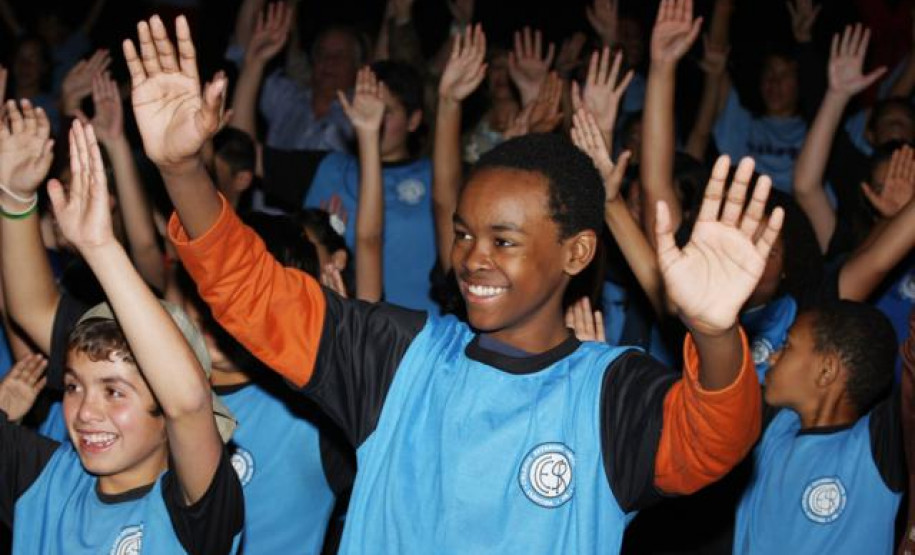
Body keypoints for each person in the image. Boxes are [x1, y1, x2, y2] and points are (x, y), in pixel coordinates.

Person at [128, 14, 780, 552]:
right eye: (463, 233)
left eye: (503, 240)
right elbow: (253, 293)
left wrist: (715, 331)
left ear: (576, 252)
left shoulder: (611, 390)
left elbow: (711, 440)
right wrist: (183, 169)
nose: (471, 258)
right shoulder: (394, 355)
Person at [0, 118, 243, 554]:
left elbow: (188, 403)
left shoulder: (191, 515)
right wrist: (14, 198)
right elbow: (30, 309)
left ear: (165, 412)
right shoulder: (43, 478)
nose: (85, 412)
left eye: (114, 392)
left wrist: (99, 246)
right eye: (74, 386)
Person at [734, 301, 904, 553]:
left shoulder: (874, 451)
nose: (772, 357)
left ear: (826, 370)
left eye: (787, 345)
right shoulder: (776, 426)